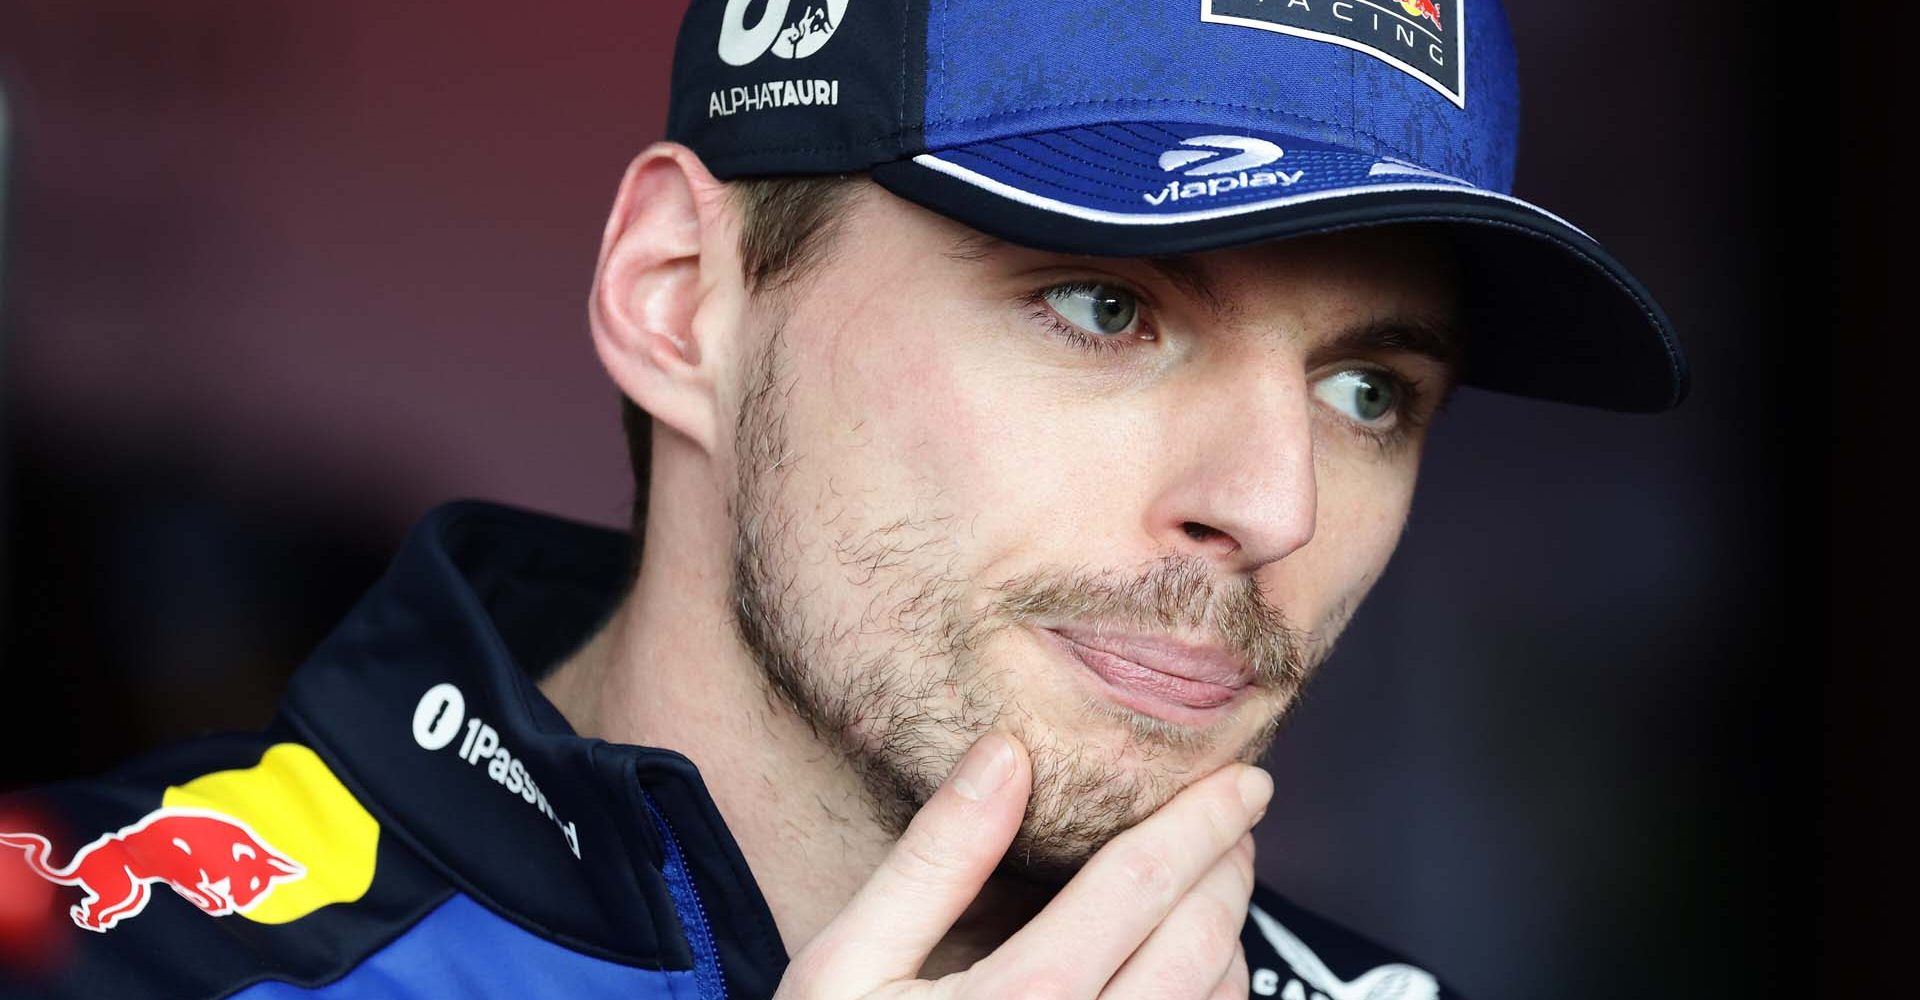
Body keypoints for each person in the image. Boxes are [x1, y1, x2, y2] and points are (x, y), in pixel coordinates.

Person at [0, 0, 1687, 997]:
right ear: (682, 296)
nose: (1275, 505)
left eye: (1368, 389)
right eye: (1108, 306)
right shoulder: (89, 945)